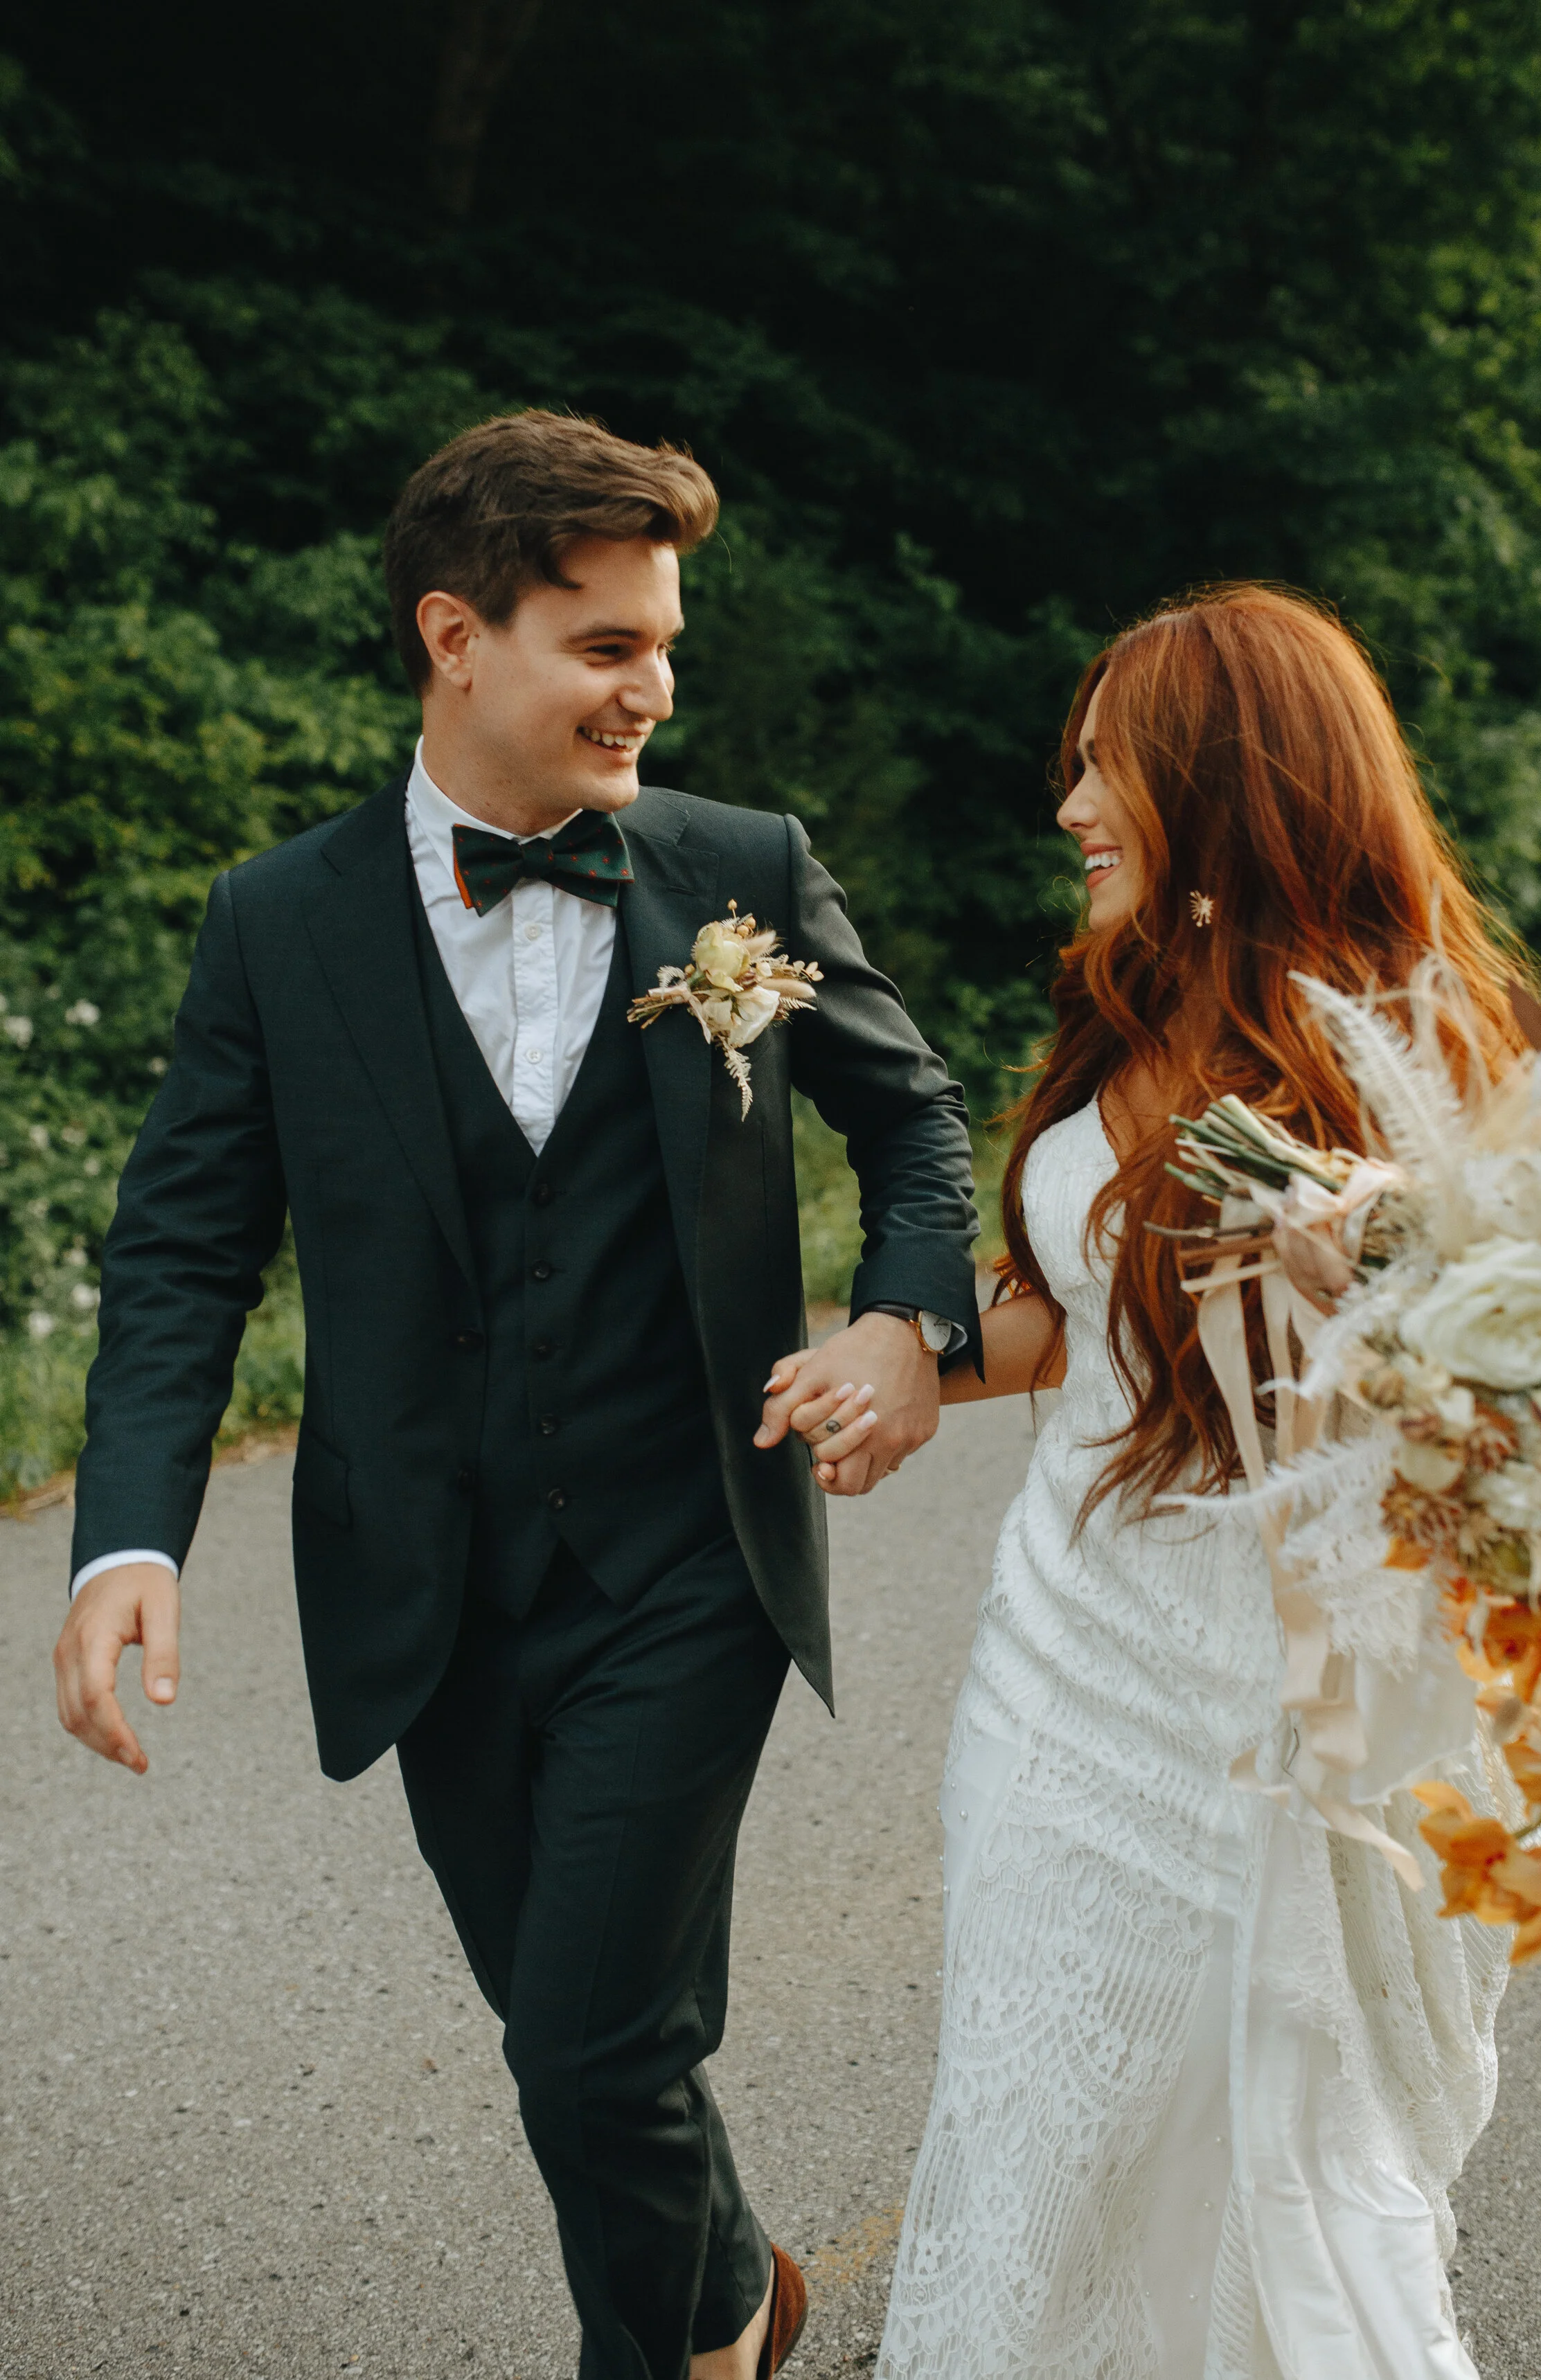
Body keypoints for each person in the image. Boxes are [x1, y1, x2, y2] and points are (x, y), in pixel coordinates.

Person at [52, 409, 982, 2380]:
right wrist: (127, 1531)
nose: (653, 686)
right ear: (453, 634)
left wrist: (910, 1318)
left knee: (590, 2039)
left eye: (661, 642)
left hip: (690, 1561)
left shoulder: (741, 872)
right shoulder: (276, 926)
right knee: (581, 2041)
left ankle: (677, 2355)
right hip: (433, 1595)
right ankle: (736, 2285)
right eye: (605, 645)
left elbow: (914, 1126)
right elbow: (180, 1255)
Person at [871, 586, 1514, 2379]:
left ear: (1231, 786)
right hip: (1058, 1672)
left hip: (1285, 1708)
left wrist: (1385, 1298)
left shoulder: (1423, 1058)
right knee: (1034, 2126)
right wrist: (896, 1347)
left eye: (1108, 768)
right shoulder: (1120, 1010)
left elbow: (1527, 1407)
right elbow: (1073, 1308)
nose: (1069, 805)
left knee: (1273, 2153)